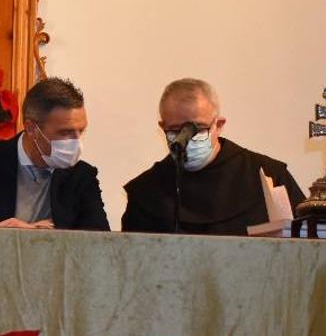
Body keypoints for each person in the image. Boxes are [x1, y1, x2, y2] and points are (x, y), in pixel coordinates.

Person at [121, 78, 305, 235]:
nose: (188, 138)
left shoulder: (269, 175)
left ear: (219, 125)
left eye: (198, 128)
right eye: (176, 130)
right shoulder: (146, 192)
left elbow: (306, 246)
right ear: (163, 127)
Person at [0, 77, 109, 230]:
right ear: (32, 128)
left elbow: (99, 241)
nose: (76, 142)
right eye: (65, 132)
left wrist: (39, 235)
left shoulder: (82, 175)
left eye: (81, 131)